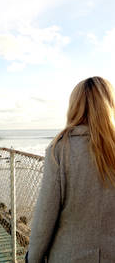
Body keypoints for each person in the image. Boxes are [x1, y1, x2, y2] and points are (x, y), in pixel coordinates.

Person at [27, 77, 115, 262]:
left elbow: (45, 217)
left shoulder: (61, 148)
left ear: (75, 105)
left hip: (69, 255)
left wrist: (32, 258)